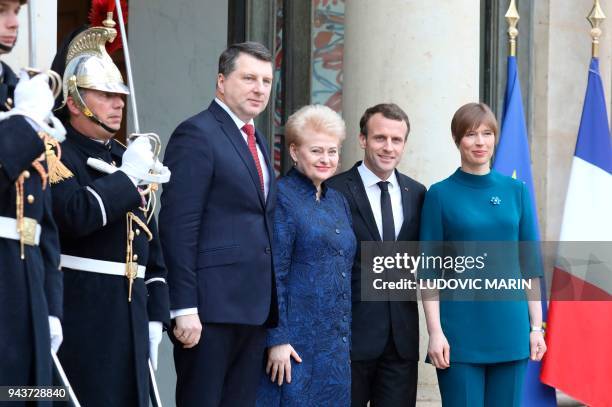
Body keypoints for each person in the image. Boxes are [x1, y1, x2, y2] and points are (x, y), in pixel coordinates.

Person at [49, 15, 169, 407]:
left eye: (120, 95)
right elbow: (75, 214)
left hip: (130, 314)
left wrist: (156, 312)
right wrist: (127, 178)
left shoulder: (124, 156)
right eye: (105, 94)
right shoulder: (55, 151)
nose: (118, 103)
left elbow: (153, 245)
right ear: (74, 100)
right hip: (83, 308)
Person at [159, 41, 278, 406]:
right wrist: (183, 307)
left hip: (252, 310)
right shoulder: (196, 133)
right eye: (249, 78)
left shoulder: (257, 139)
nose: (259, 89)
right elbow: (178, 228)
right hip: (208, 311)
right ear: (221, 82)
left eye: (266, 81)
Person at [420, 102, 546, 407]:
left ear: (495, 138)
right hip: (459, 334)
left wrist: (535, 328)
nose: (480, 142)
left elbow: (529, 265)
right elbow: (428, 273)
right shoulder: (439, 194)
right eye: (471, 134)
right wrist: (435, 333)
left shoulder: (516, 191)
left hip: (510, 328)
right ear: (457, 140)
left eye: (487, 133)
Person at [256, 104, 356, 406]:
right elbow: (274, 273)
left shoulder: (337, 201)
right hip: (294, 347)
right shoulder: (281, 198)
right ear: (295, 151)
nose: (326, 159)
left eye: (332, 151)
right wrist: (277, 339)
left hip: (335, 348)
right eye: (316, 151)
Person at [327, 103, 426, 406]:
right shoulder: (333, 190)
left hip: (401, 343)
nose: (388, 147)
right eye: (380, 138)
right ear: (362, 139)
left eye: (396, 140)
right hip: (347, 340)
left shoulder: (418, 194)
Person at [0, 0, 64, 396]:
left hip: (27, 281)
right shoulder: (23, 103)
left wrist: (52, 305)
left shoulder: (15, 86)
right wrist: (25, 123)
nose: (12, 23)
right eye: (2, 10)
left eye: (17, 12)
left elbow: (43, 218)